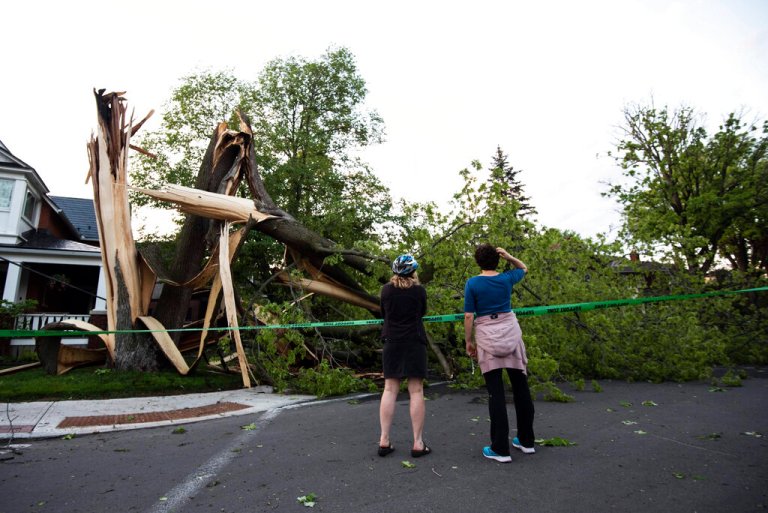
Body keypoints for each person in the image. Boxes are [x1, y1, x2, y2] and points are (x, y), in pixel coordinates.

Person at [464, 244, 535, 463]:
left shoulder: (473, 283)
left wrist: (469, 341)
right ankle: (526, 441)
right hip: (511, 335)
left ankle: (500, 448)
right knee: (521, 388)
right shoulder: (506, 279)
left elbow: (468, 316)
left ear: (478, 261)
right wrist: (509, 256)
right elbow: (523, 268)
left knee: (496, 394)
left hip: (487, 336)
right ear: (497, 259)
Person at [378, 254, 431, 458]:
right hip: (414, 341)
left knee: (390, 389)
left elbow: (384, 313)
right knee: (416, 390)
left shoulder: (386, 290)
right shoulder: (419, 291)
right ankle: (417, 443)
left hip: (392, 341)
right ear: (413, 271)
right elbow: (422, 312)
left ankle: (384, 440)